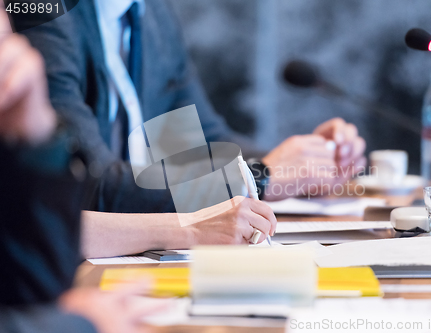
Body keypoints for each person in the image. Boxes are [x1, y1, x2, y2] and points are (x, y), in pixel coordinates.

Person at [15, 0, 364, 256]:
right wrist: (258, 178)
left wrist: (306, 162)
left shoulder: (150, 13)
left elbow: (197, 144)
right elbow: (86, 182)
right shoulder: (44, 16)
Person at [0, 7, 157, 332]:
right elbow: (100, 179)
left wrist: (36, 138)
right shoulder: (52, 15)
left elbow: (200, 133)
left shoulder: (150, 14)